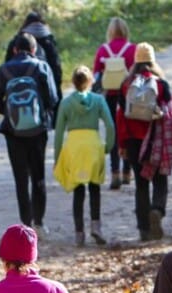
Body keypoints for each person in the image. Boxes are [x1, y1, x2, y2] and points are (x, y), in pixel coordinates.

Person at [0, 33, 59, 235]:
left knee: (20, 178)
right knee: (38, 176)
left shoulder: (4, 70)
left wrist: (14, 115)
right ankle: (39, 222)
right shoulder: (41, 67)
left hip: (13, 133)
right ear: (33, 50)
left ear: (14, 50)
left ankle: (26, 224)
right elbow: (53, 99)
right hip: (38, 131)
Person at [116, 42, 172, 241]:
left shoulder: (126, 85)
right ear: (152, 60)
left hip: (134, 142)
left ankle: (143, 229)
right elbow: (169, 116)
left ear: (135, 60)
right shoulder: (161, 84)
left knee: (141, 185)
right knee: (160, 180)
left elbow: (121, 117)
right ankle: (157, 210)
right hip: (155, 141)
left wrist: (122, 144)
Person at [53, 65, 114, 247]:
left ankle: (79, 232)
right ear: (90, 81)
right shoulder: (98, 100)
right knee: (95, 188)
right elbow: (110, 125)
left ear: (73, 81)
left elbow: (58, 133)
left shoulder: (66, 103)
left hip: (74, 146)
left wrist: (58, 158)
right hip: (93, 145)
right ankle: (96, 226)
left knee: (78, 190)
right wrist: (107, 147)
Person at [92, 17, 135, 190]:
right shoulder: (132, 49)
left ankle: (115, 172)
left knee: (113, 132)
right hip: (127, 95)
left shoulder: (103, 50)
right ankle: (127, 171)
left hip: (109, 95)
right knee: (128, 131)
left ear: (110, 31)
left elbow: (96, 74)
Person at [7, 11, 63, 125]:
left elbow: (7, 64)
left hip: (17, 89)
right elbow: (56, 68)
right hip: (41, 87)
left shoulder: (17, 40)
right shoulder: (48, 40)